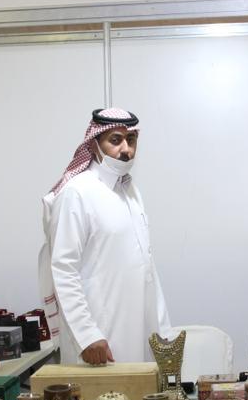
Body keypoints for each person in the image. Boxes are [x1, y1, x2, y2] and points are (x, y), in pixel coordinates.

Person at [38, 108, 170, 365]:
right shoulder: (77, 193)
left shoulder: (130, 191)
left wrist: (162, 326)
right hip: (98, 340)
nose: (125, 149)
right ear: (94, 144)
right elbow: (63, 268)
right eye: (115, 140)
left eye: (131, 140)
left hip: (138, 330)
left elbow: (147, 266)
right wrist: (87, 335)